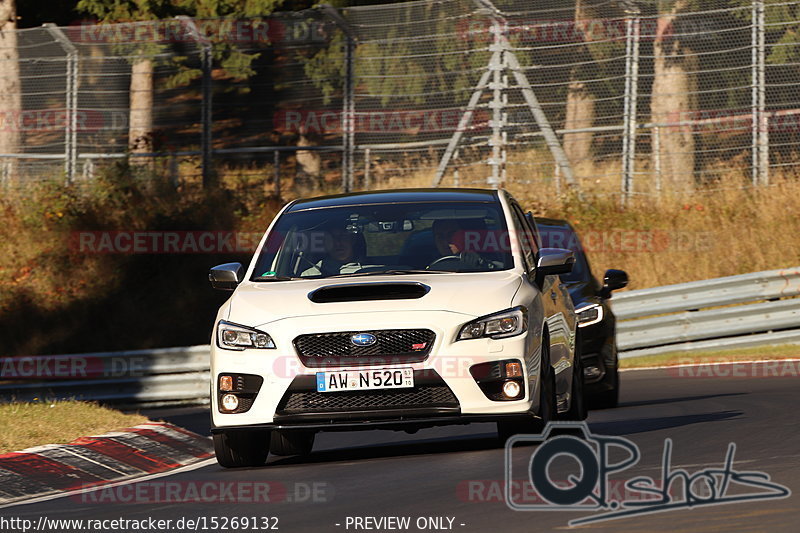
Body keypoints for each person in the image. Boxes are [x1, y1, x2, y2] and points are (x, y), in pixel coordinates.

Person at [302, 226, 366, 276]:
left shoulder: (373, 271)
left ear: (353, 240)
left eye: (343, 236)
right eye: (332, 238)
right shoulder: (310, 275)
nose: (338, 243)